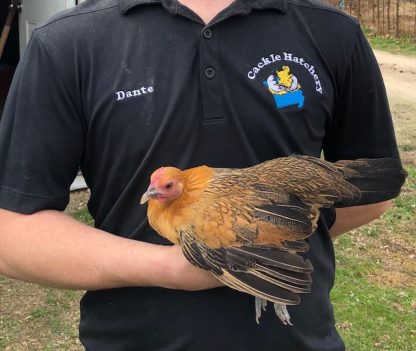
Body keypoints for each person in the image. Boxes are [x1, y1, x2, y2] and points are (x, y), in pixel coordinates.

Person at [0, 0, 401, 350]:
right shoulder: (69, 40)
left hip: (298, 339)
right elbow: (11, 234)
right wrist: (173, 267)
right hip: (133, 340)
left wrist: (272, 235)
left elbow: (372, 186)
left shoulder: (331, 29)